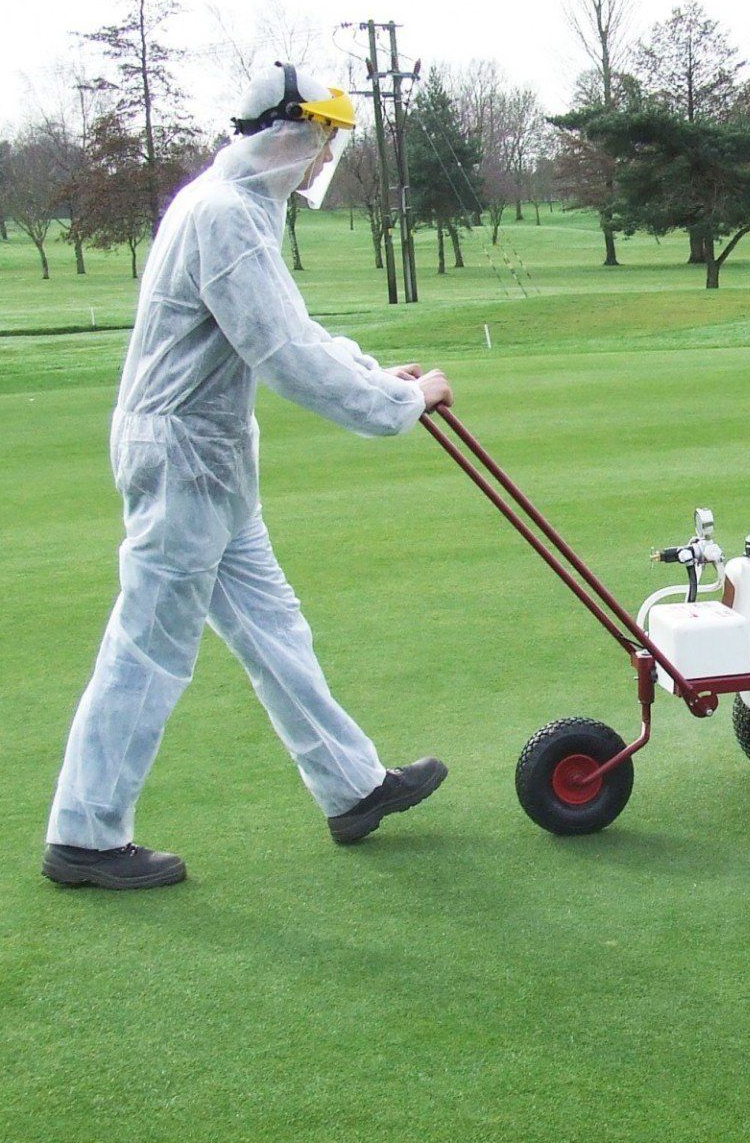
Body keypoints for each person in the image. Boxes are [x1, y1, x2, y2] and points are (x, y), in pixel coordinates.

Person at [43, 63, 448, 891]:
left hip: (213, 463)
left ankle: (353, 788)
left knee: (276, 632)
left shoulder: (239, 210)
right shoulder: (224, 216)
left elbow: (291, 328)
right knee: (149, 649)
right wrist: (398, 407)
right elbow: (286, 356)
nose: (320, 162)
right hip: (184, 461)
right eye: (320, 142)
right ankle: (83, 836)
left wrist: (381, 376)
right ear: (287, 134)